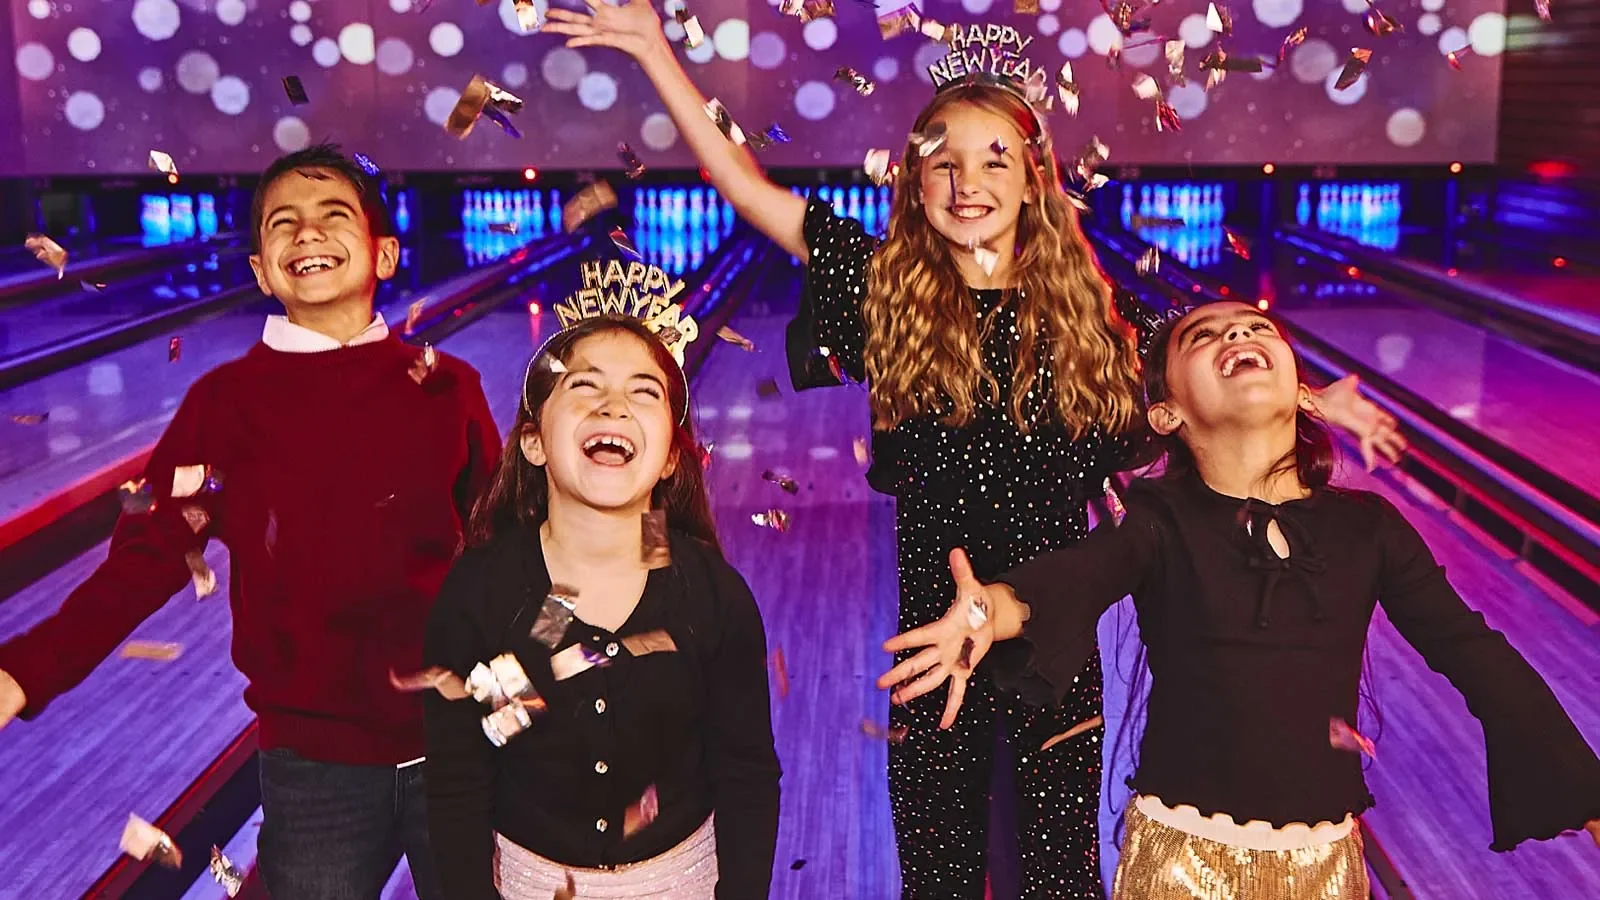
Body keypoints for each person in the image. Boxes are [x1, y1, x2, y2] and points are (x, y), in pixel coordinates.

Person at [543, 4, 1407, 897]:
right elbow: (745, 186)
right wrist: (652, 47)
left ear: (1034, 181)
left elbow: (1207, 375)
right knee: (940, 878)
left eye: (995, 157)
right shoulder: (886, 292)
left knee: (1059, 877)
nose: (967, 180)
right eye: (942, 161)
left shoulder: (1093, 323)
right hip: (929, 647)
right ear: (915, 186)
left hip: (1055, 647)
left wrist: (1311, 395)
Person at [879, 302, 1600, 899]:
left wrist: (1584, 783)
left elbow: (1473, 653)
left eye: (1259, 329)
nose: (1239, 334)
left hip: (1327, 866)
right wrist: (987, 611)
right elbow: (1072, 578)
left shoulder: (1368, 529)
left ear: (1298, 387)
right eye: (1206, 335)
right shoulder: (1161, 523)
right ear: (1165, 414)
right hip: (1182, 865)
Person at [0, 144, 500, 900]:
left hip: (461, 746)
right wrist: (24, 669)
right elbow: (148, 557)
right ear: (263, 271)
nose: (306, 234)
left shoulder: (449, 388)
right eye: (282, 225)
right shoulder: (224, 403)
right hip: (313, 767)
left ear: (386, 254)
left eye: (334, 217)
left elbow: (506, 555)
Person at [421, 313, 781, 899]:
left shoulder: (709, 595)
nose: (613, 406)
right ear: (534, 443)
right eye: (585, 385)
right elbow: (459, 779)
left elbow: (745, 773)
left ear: (669, 458)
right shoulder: (483, 596)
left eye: (644, 391)